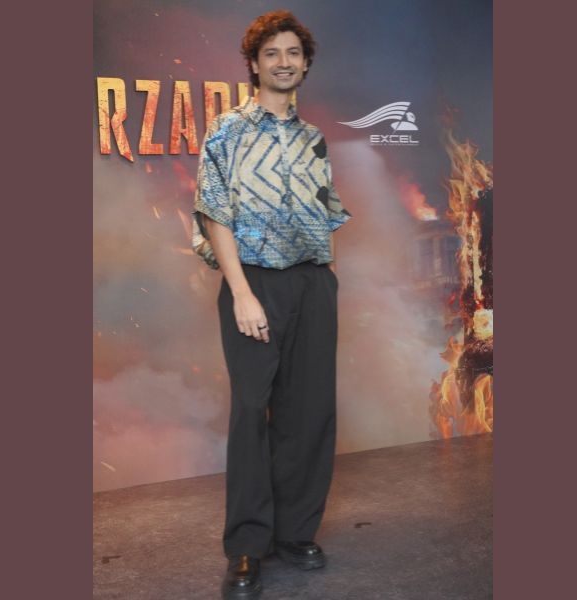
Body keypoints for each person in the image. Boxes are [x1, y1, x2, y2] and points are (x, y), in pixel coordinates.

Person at [191, 10, 352, 599]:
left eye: (293, 53)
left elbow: (324, 212)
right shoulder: (227, 130)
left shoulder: (313, 138)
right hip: (254, 282)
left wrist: (325, 279)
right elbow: (215, 214)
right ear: (254, 65)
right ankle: (247, 545)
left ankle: (295, 532)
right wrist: (241, 293)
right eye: (271, 54)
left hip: (312, 283)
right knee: (250, 413)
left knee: (308, 413)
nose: (283, 62)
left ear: (305, 64)